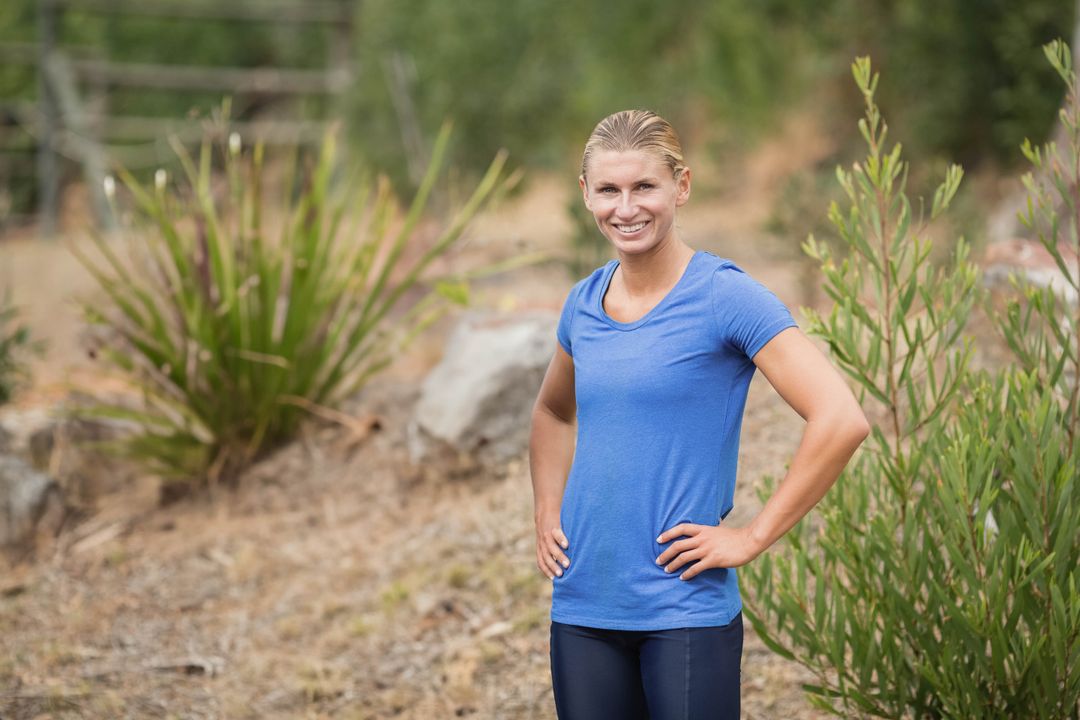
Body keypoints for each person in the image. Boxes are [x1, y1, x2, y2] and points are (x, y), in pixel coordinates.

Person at [529, 109, 870, 720]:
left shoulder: (725, 296)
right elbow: (554, 412)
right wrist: (546, 512)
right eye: (608, 189)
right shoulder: (582, 303)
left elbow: (841, 418)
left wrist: (753, 536)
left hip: (682, 609)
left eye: (644, 187)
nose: (625, 208)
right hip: (583, 604)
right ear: (586, 194)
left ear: (680, 187)